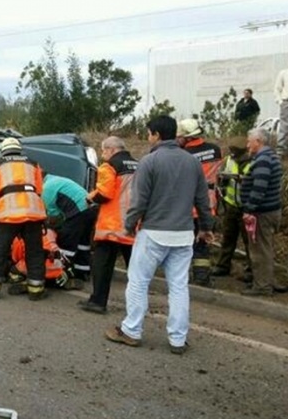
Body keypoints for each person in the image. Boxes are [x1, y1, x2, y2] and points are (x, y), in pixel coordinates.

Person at [105, 115, 213, 355]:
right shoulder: (192, 162)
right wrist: (206, 227)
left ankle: (131, 331)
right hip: (184, 234)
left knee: (138, 282)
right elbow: (202, 200)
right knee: (178, 287)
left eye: (149, 133)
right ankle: (177, 339)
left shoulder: (149, 161)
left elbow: (139, 200)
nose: (148, 137)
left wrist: (129, 225)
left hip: (153, 233)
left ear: (155, 134)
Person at [0, 137, 47, 301]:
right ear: (19, 149)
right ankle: (36, 290)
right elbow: (39, 190)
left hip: (8, 213)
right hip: (33, 212)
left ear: (3, 150)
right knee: (34, 252)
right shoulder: (33, 163)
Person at [81, 136, 138, 314]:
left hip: (112, 225)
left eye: (104, 150)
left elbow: (105, 194)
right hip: (133, 225)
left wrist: (91, 196)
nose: (102, 154)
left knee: (102, 265)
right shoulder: (138, 165)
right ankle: (136, 306)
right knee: (135, 270)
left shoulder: (109, 166)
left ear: (112, 150)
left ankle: (98, 301)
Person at [176, 118, 223, 287]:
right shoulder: (215, 150)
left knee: (184, 244)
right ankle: (202, 278)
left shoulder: (183, 155)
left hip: (188, 206)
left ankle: (181, 276)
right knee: (203, 244)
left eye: (179, 136)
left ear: (186, 137)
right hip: (210, 204)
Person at [239, 128, 285, 296]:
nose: (247, 145)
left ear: (258, 142)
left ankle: (262, 286)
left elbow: (259, 188)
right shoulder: (271, 157)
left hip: (262, 213)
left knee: (259, 251)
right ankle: (268, 280)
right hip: (270, 210)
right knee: (266, 248)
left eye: (249, 141)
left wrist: (249, 208)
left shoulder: (263, 160)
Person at [41, 174, 96, 284]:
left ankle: (64, 272)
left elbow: (53, 215)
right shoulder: (58, 180)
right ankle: (83, 272)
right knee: (83, 243)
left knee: (67, 241)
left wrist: (50, 228)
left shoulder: (46, 188)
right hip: (90, 209)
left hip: (78, 211)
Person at [211, 137, 252, 279]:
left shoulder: (253, 162)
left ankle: (250, 271)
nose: (233, 155)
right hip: (231, 205)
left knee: (249, 241)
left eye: (236, 153)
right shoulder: (229, 160)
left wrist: (243, 180)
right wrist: (223, 179)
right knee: (228, 238)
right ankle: (223, 266)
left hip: (246, 207)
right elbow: (219, 178)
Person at [274, 56, 288, 158]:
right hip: (287, 102)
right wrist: (280, 102)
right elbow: (277, 88)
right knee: (285, 126)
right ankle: (281, 150)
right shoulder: (284, 73)